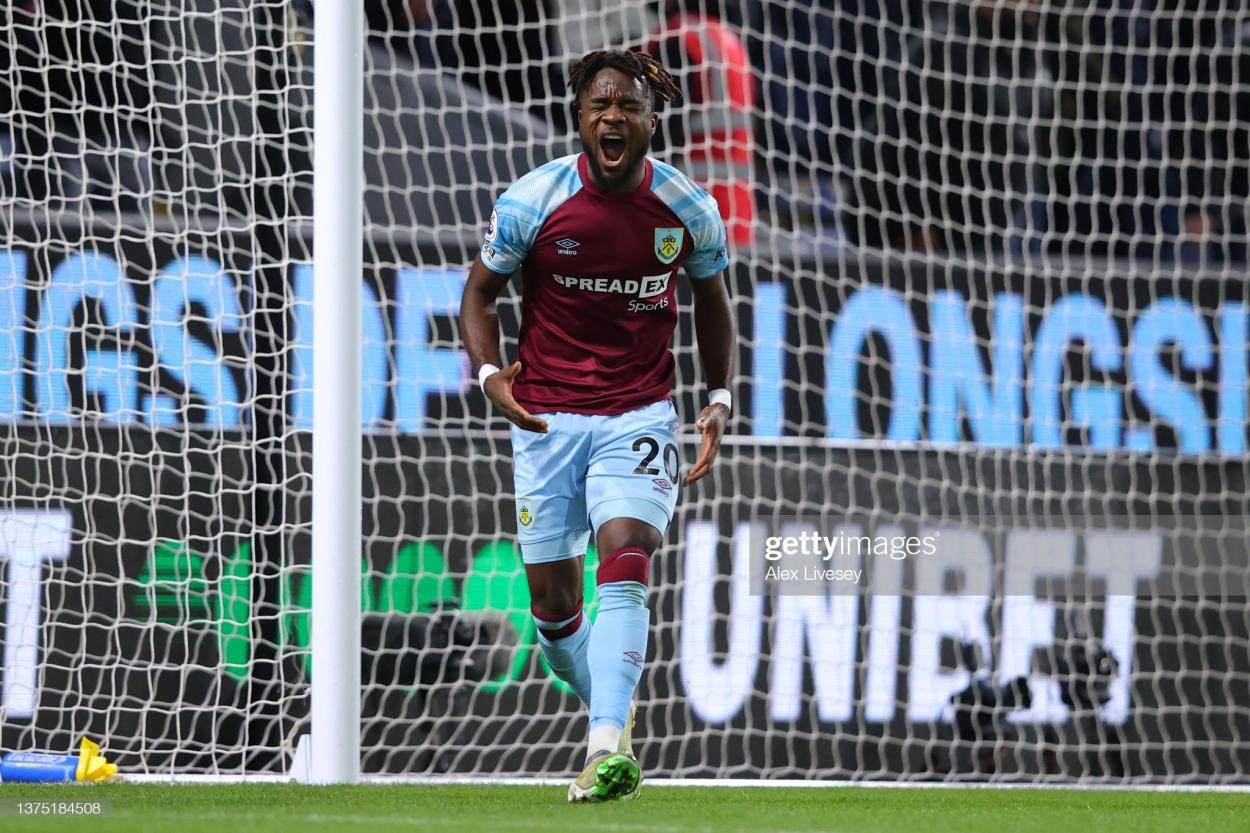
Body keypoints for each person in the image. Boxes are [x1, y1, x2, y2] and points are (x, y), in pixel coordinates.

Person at [459, 49, 735, 803]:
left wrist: (717, 396)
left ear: (653, 120)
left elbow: (712, 300)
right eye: (599, 105)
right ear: (579, 115)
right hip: (546, 419)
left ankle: (605, 747)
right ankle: (610, 703)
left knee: (627, 554)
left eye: (628, 107)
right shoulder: (531, 201)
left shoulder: (689, 210)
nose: (612, 116)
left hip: (640, 412)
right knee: (552, 618)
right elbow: (478, 297)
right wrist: (490, 378)